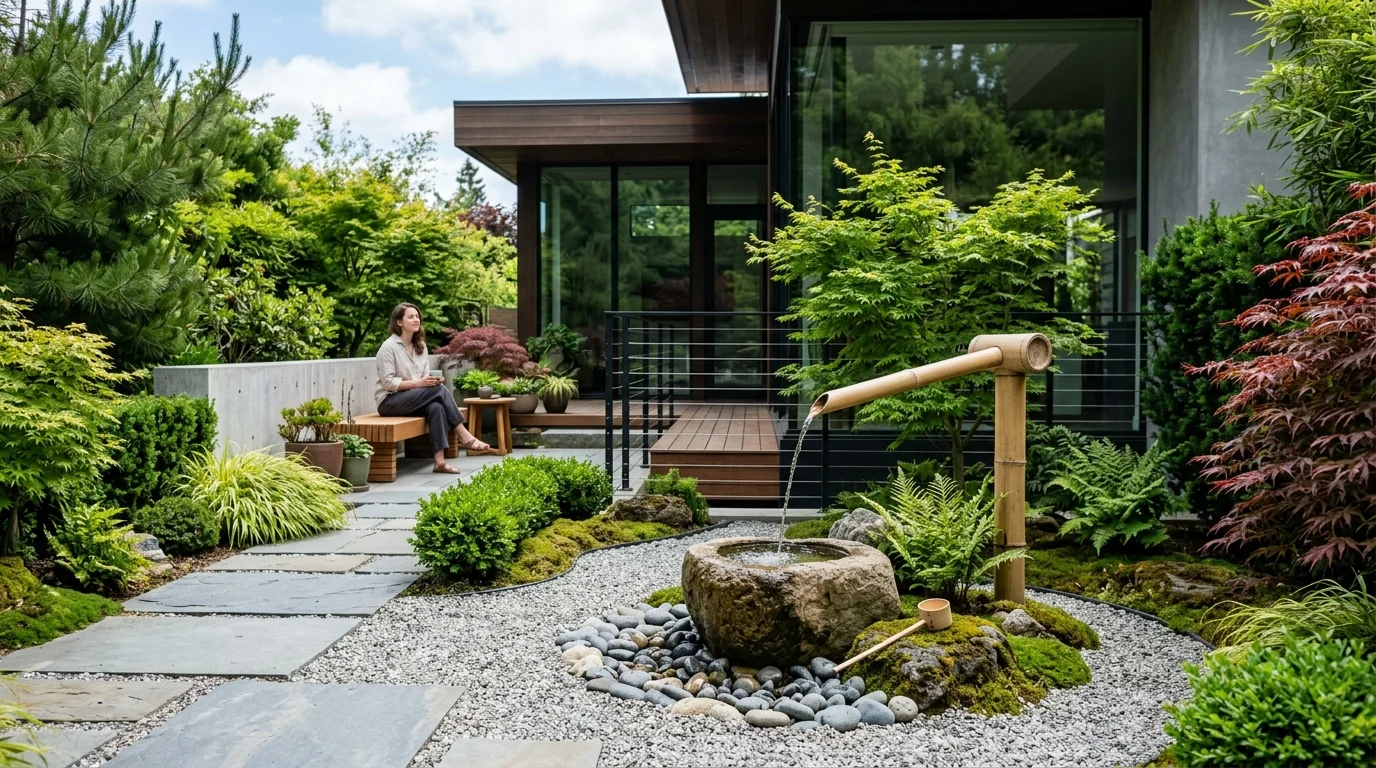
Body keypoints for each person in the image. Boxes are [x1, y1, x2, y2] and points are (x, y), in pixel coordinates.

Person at [374, 303, 488, 474]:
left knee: (436, 407)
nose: (416, 320)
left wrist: (432, 381)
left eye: (417, 316)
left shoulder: (421, 346)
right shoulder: (388, 347)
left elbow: (424, 377)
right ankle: (464, 435)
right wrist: (421, 384)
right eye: (410, 317)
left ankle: (439, 462)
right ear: (399, 322)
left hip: (413, 398)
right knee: (439, 391)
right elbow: (389, 383)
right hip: (390, 401)